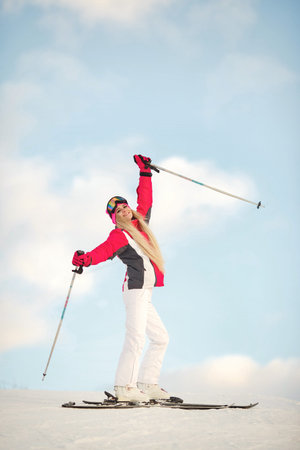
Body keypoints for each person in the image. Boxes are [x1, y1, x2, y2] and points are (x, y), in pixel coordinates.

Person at [72, 154, 170, 402]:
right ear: (116, 218)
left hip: (146, 293)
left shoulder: (141, 225)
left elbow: (145, 198)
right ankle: (124, 387)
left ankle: (147, 384)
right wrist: (85, 260)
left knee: (160, 338)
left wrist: (145, 172)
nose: (125, 210)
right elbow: (103, 251)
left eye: (125, 206)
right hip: (134, 291)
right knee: (136, 337)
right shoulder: (120, 235)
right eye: (119, 210)